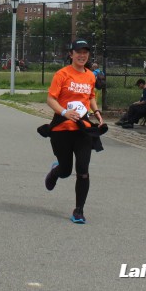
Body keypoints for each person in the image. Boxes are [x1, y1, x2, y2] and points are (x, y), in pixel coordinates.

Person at [43, 40, 104, 224]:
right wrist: (64, 112)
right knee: (65, 170)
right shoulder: (62, 74)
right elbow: (50, 99)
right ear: (71, 54)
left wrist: (97, 112)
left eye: (85, 52)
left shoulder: (90, 76)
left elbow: (91, 97)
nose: (82, 55)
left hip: (82, 130)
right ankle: (55, 172)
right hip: (62, 129)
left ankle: (79, 211)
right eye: (78, 52)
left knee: (83, 170)